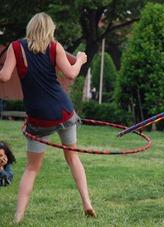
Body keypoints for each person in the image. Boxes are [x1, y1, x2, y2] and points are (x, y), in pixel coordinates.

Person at [0, 12, 96, 222]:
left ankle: (18, 216)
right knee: (72, 157)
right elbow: (71, 74)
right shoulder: (54, 47)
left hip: (39, 116)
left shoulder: (16, 48)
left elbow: (5, 76)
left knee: (32, 168)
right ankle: (87, 203)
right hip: (63, 110)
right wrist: (79, 59)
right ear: (50, 29)